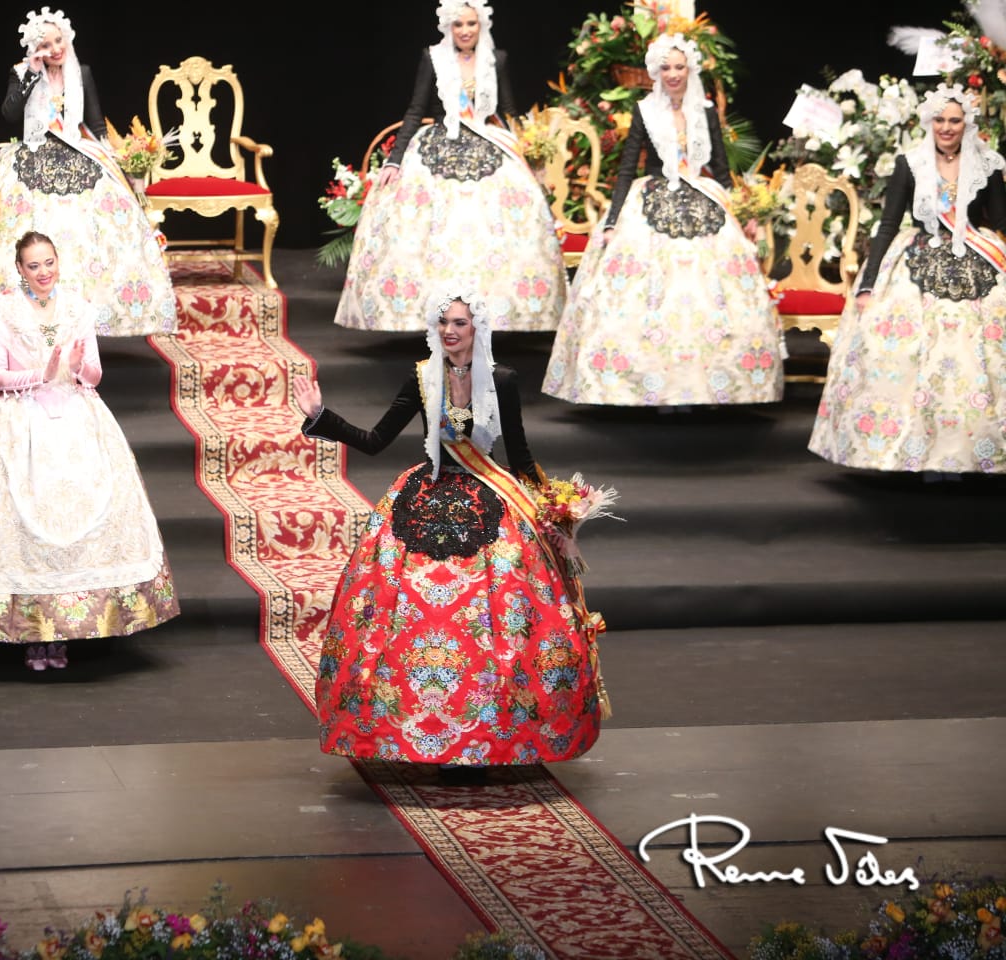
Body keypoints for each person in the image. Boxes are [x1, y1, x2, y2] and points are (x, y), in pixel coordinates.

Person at [292, 290, 603, 767]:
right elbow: (375, 441)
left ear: (477, 328)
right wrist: (319, 416)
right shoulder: (422, 376)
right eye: (443, 322)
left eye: (459, 322)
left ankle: (491, 737)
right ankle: (405, 733)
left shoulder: (502, 379)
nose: (450, 331)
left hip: (491, 497)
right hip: (424, 497)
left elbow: (520, 455)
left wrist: (556, 515)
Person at [0, 231, 178, 670]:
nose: (43, 272)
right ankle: (31, 634)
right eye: (34, 265)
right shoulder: (4, 311)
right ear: (19, 269)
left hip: (76, 419)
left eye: (49, 263)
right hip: (17, 421)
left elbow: (94, 376)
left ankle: (63, 633)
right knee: (19, 524)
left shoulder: (77, 307)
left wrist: (77, 368)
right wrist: (39, 375)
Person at [543, 34, 782, 407]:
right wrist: (613, 221)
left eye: (679, 67)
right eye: (666, 67)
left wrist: (741, 214)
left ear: (690, 70)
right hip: (651, 198)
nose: (673, 74)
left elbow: (721, 170)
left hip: (703, 197)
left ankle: (708, 386)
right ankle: (647, 386)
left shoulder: (705, 112)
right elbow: (627, 169)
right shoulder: (645, 110)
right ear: (656, 71)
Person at [334, 2, 566, 333]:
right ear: (448, 27)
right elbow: (415, 110)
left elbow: (509, 110)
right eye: (459, 24)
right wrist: (395, 159)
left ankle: (497, 312)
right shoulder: (433, 58)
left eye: (471, 23)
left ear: (481, 24)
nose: (465, 30)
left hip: (488, 144)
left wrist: (529, 153)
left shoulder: (496, 59)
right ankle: (429, 312)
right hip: (438, 145)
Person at [809, 84, 1006, 474]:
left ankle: (971, 453)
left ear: (967, 123)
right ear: (928, 122)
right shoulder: (909, 163)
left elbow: (1000, 221)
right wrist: (868, 284)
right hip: (916, 262)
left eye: (954, 120)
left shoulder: (987, 164)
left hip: (977, 259)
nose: (946, 127)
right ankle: (918, 453)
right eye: (940, 120)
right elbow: (887, 225)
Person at [0, 7, 175, 337]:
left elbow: (95, 123)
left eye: (59, 41)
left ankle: (87, 317)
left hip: (78, 155)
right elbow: (10, 113)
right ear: (35, 48)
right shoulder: (21, 71)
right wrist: (31, 73)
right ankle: (35, 317)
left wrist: (119, 166)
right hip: (33, 157)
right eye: (46, 45)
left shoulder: (81, 72)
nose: (55, 49)